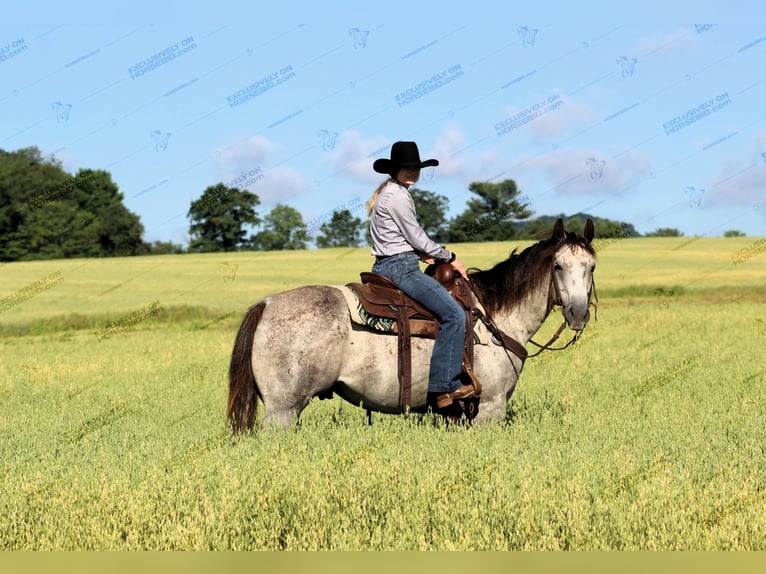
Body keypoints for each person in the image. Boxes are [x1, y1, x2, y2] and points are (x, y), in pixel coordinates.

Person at [368, 141, 475, 409]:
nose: (412, 172)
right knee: (454, 314)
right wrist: (449, 257)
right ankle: (444, 387)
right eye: (407, 168)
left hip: (388, 264)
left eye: (416, 168)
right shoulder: (398, 197)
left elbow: (403, 240)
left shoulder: (389, 193)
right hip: (401, 269)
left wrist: (422, 254)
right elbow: (418, 237)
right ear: (395, 170)